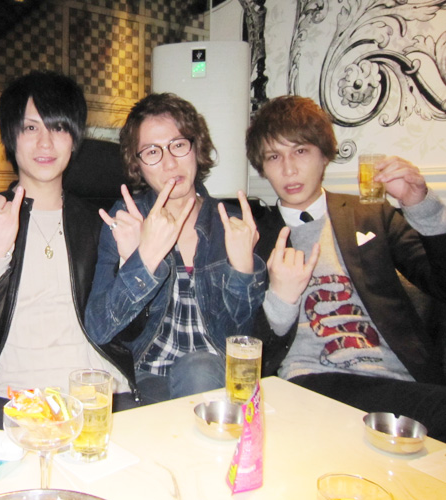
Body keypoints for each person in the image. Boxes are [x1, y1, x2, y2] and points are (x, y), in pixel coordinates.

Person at [248, 95, 446, 440]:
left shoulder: (369, 214)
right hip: (311, 383)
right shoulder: (255, 236)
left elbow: (439, 284)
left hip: (399, 379)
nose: (288, 170)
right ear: (262, 168)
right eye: (274, 157)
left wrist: (421, 206)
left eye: (300, 151)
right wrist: (281, 298)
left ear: (325, 154)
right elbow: (248, 344)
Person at [0, 71, 139, 428]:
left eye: (58, 128)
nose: (45, 143)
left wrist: (136, 264)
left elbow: (127, 334)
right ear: (10, 137)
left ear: (74, 140)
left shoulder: (99, 223)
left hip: (99, 389)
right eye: (30, 128)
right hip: (13, 395)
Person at [84, 93, 267, 403]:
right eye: (152, 152)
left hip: (215, 372)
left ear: (196, 147)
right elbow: (98, 329)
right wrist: (142, 259)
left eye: (178, 145)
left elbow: (242, 338)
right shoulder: (126, 219)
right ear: (137, 164)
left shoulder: (231, 225)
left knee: (198, 368)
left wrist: (243, 271)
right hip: (148, 371)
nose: (170, 163)